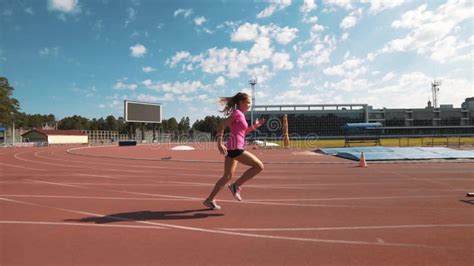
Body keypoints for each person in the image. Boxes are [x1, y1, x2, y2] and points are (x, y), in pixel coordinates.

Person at [203, 92, 265, 210]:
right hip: (235, 148)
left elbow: (243, 132)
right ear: (240, 102)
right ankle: (236, 186)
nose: (249, 105)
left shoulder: (240, 115)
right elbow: (221, 124)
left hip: (232, 148)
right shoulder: (237, 113)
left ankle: (209, 200)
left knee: (227, 177)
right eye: (247, 102)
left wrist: (256, 126)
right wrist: (219, 143)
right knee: (259, 166)